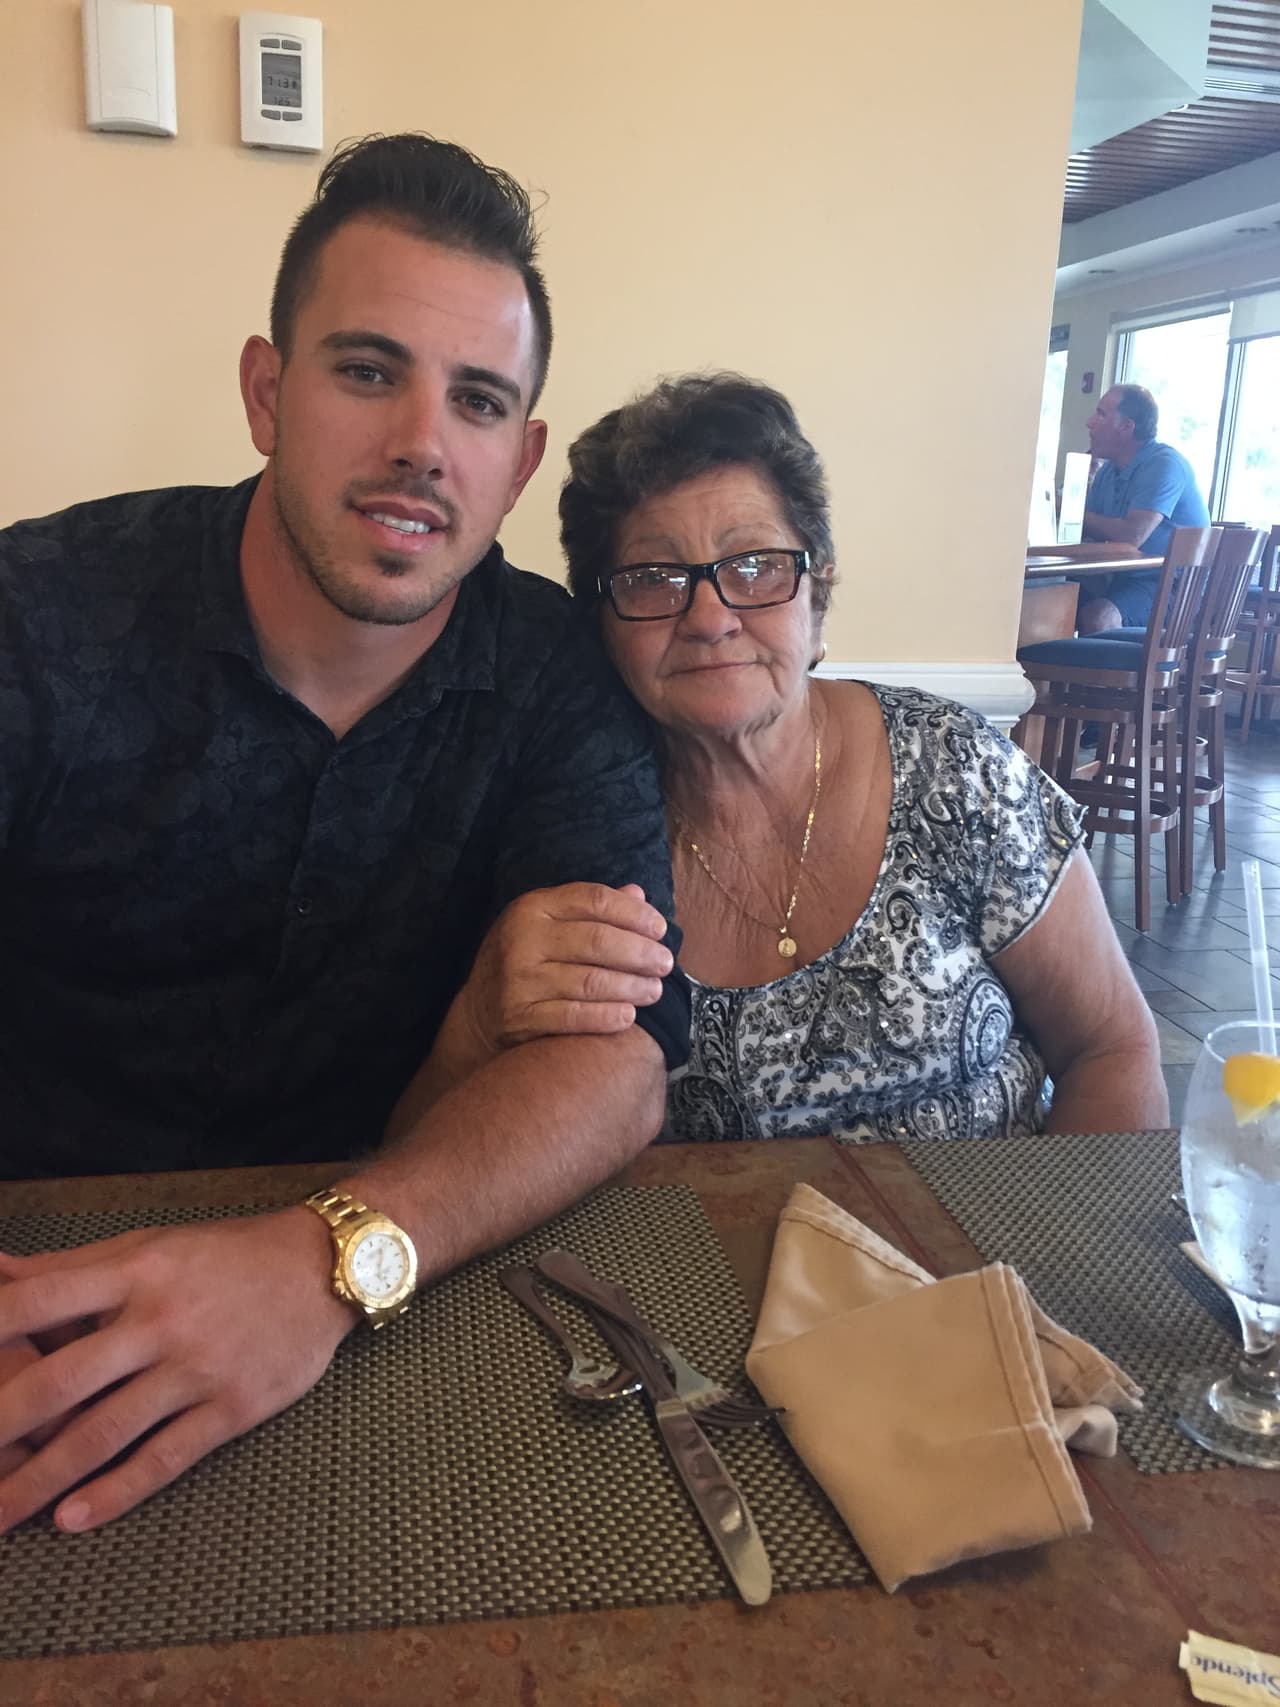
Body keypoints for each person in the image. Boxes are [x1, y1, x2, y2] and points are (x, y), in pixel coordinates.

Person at [0, 135, 688, 1533]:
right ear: (266, 392)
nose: (422, 443)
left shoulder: (558, 676)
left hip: (385, 1294)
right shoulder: (41, 616)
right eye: (368, 371)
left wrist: (331, 1258)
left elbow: (619, 1066)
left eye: (477, 400)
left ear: (520, 460)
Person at [481, 373, 1168, 1143]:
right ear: (602, 625)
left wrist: (1062, 1225)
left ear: (817, 597)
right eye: (654, 579)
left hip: (993, 1217)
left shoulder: (955, 768)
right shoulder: (576, 821)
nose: (710, 617)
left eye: (756, 565)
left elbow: (1111, 1047)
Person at [1075, 383, 1210, 634]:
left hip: (1170, 589)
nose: (1089, 422)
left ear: (1127, 427)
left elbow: (1132, 535)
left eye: (1101, 414)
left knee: (1098, 617)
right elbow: (1087, 534)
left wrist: (1071, 512)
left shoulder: (1165, 464)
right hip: (1122, 581)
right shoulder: (1106, 473)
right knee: (1045, 600)